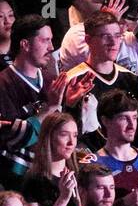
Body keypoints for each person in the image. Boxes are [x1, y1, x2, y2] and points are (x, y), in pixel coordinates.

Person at [0, 16, 95, 184]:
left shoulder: (52, 80)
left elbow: (67, 134)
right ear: (25, 45)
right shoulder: (3, 84)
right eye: (45, 41)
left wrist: (69, 105)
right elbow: (12, 138)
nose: (51, 48)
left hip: (53, 176)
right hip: (17, 180)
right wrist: (50, 108)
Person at [61, 11, 138, 152]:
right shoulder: (71, 80)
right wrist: (70, 105)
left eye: (117, 36)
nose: (113, 43)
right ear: (88, 40)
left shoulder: (132, 80)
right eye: (106, 36)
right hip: (87, 161)